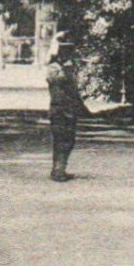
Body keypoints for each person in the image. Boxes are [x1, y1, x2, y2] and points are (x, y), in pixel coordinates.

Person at [45, 46, 89, 182]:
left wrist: (82, 108)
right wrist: (67, 70)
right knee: (60, 139)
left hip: (69, 109)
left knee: (69, 140)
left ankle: (60, 168)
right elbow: (56, 81)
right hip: (58, 109)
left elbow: (74, 91)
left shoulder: (70, 70)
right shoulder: (53, 68)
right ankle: (58, 171)